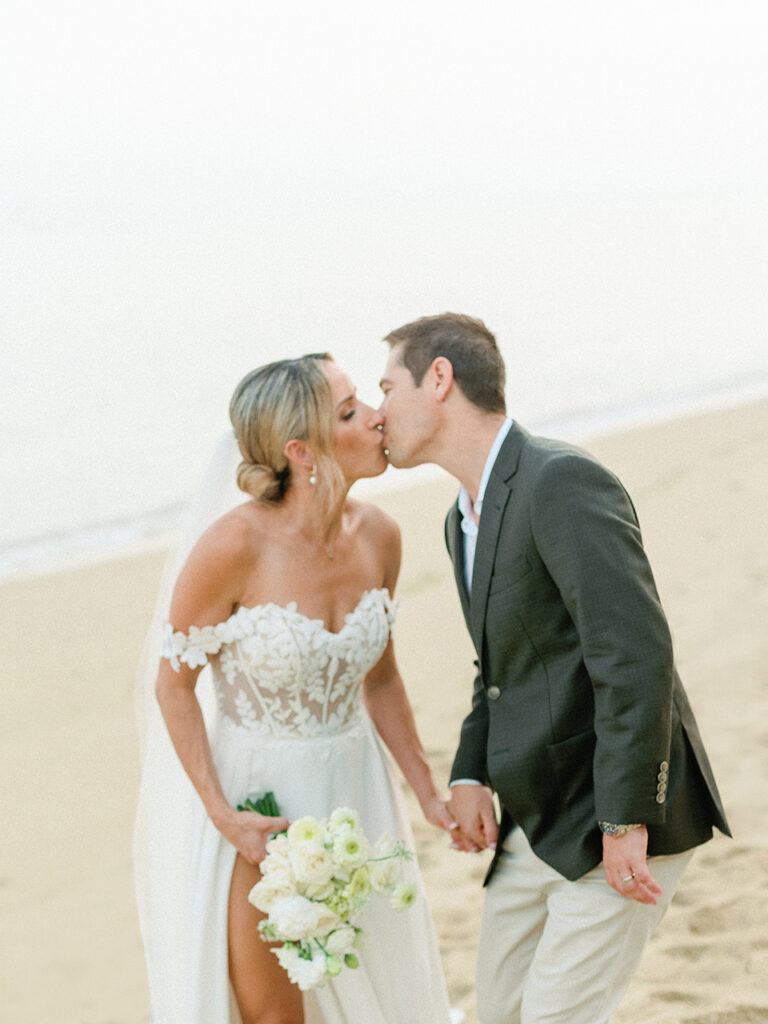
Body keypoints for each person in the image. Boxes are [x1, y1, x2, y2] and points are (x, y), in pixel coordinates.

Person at [378, 313, 731, 1024]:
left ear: (439, 379)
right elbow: (498, 666)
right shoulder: (461, 520)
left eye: (387, 386)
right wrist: (470, 770)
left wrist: (629, 816)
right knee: (497, 1013)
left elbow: (634, 653)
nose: (378, 409)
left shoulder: (561, 481)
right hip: (533, 819)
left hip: (614, 814)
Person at [134, 353, 462, 1024]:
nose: (376, 416)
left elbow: (382, 676)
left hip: (359, 795)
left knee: (380, 988)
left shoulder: (380, 535)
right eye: (349, 412)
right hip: (259, 807)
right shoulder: (232, 548)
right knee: (276, 1015)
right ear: (301, 451)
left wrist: (425, 788)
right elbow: (172, 688)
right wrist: (225, 816)